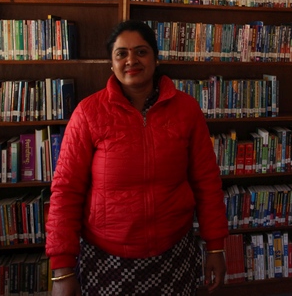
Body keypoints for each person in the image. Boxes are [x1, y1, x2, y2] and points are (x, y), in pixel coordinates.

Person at [46, 20, 228, 295]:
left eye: (141, 51)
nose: (131, 60)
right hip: (108, 260)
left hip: (174, 254)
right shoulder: (88, 113)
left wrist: (215, 246)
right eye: (121, 53)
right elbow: (66, 190)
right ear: (111, 64)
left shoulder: (186, 109)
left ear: (156, 58)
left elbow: (206, 181)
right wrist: (62, 270)